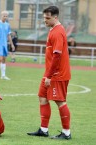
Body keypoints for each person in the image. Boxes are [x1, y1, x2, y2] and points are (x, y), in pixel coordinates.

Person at [27, 6, 71, 140]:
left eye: (47, 18)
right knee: (42, 97)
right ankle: (43, 129)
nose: (44, 20)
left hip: (57, 75)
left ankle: (66, 133)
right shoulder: (53, 30)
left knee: (60, 101)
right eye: (44, 17)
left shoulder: (58, 32)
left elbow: (57, 56)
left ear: (55, 17)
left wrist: (49, 76)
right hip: (50, 73)